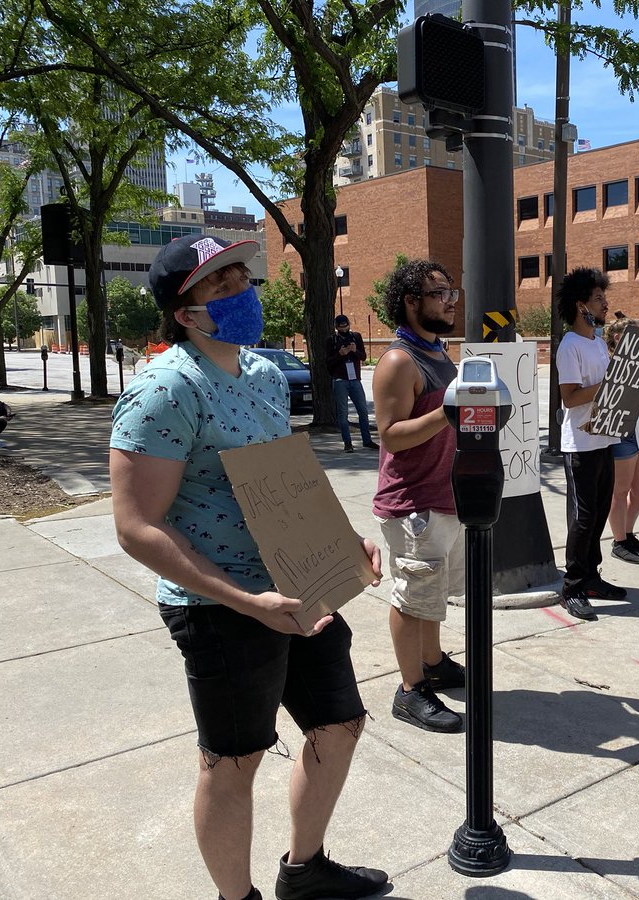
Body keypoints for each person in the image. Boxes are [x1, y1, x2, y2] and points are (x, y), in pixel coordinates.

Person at [109, 234, 389, 900]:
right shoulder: (166, 389)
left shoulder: (262, 373)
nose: (244, 294)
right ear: (185, 311)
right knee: (233, 761)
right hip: (220, 609)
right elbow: (135, 527)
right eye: (221, 286)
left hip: (299, 585)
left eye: (244, 279)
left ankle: (305, 868)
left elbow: (287, 476)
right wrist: (243, 599)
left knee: (339, 723)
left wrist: (343, 537)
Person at [372, 260, 468, 732]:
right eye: (440, 293)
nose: (450, 300)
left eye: (451, 292)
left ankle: (433, 663)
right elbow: (390, 436)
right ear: (411, 302)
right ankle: (410, 691)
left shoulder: (438, 353)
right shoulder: (398, 360)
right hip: (412, 504)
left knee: (433, 595)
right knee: (412, 598)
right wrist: (451, 411)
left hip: (443, 496)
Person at [557, 267, 636, 620]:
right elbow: (570, 398)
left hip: (604, 438)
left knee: (600, 512)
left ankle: (591, 577)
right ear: (580, 305)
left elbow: (613, 389)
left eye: (605, 297)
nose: (605, 304)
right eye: (598, 299)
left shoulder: (599, 345)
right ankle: (571, 585)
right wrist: (611, 383)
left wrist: (637, 387)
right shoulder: (570, 346)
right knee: (583, 517)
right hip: (580, 445)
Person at [603, 317, 639, 565]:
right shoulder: (606, 362)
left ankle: (627, 532)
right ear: (618, 338)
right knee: (620, 490)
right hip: (620, 431)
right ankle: (619, 541)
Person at [327, 314, 378, 452]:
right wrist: (340, 354)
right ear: (336, 327)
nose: (344, 328)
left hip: (355, 379)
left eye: (346, 325)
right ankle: (347, 443)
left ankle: (367, 440)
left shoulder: (356, 336)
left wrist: (355, 350)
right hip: (340, 380)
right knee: (343, 414)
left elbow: (363, 356)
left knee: (363, 411)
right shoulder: (332, 340)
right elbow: (328, 363)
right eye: (340, 326)